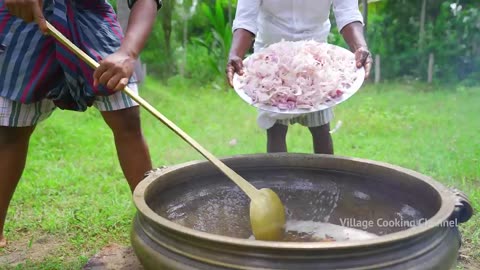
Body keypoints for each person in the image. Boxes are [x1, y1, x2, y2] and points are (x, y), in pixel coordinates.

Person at [0, 0, 161, 248]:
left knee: (127, 119)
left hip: (92, 20)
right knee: (9, 134)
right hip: (24, 18)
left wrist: (127, 54)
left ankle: (157, 228)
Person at [226, 0, 373, 154]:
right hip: (271, 60)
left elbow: (347, 12)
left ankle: (325, 177)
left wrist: (360, 46)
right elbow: (245, 18)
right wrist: (235, 54)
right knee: (276, 130)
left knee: (321, 128)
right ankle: (279, 178)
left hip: (315, 59)